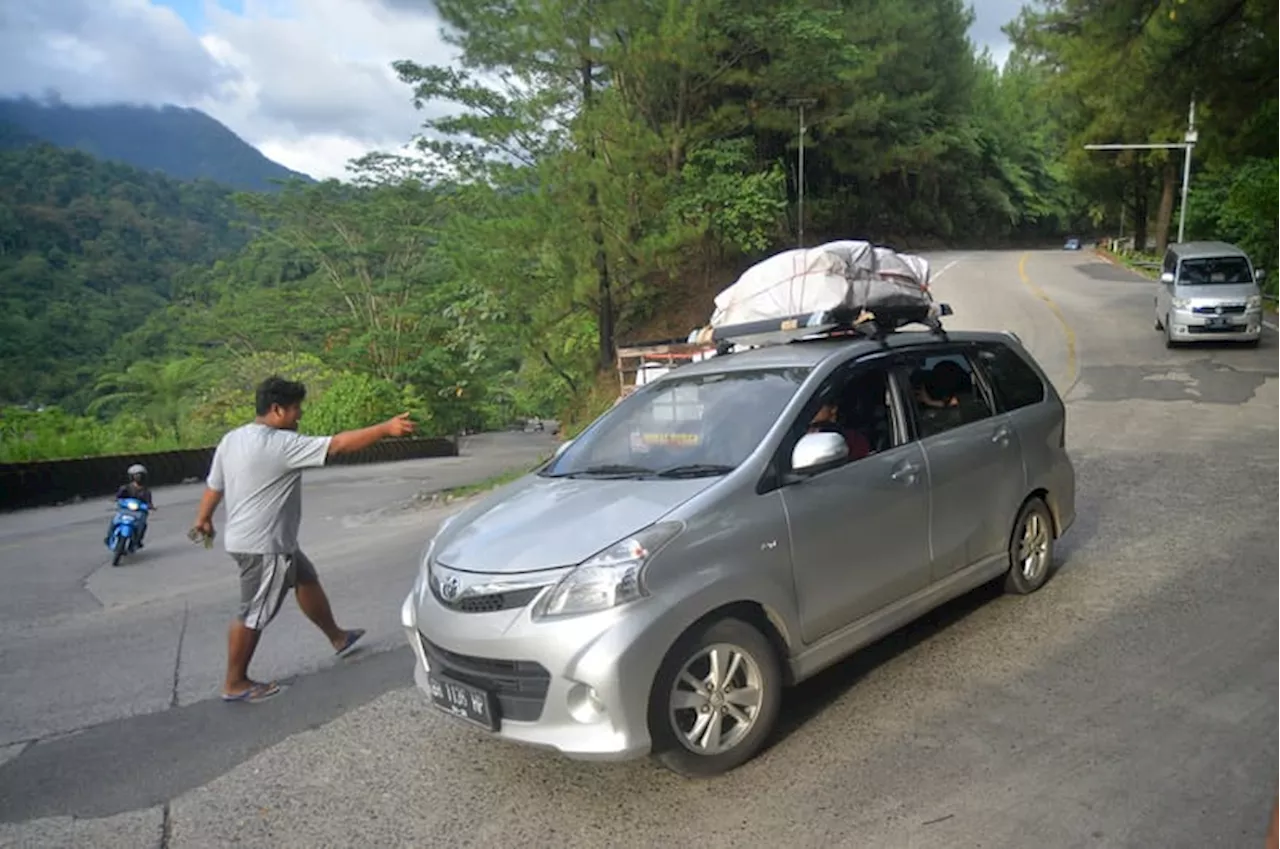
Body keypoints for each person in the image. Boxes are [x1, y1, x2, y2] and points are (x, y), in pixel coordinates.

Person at [191, 375, 416, 703]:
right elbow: (337, 445)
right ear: (277, 409)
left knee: (305, 578)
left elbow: (215, 484)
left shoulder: (233, 439)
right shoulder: (280, 445)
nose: (300, 416)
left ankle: (338, 637)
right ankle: (235, 682)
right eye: (296, 409)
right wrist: (384, 429)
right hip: (264, 546)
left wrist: (203, 518)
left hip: (255, 539)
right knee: (254, 612)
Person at [107, 463, 154, 548]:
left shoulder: (146, 491)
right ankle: (109, 536)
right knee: (114, 521)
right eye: (136, 476)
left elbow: (149, 502)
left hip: (139, 512)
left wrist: (149, 506)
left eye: (140, 476)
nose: (138, 478)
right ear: (132, 477)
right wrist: (116, 499)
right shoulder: (125, 488)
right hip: (126, 510)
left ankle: (138, 540)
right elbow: (118, 496)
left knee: (143, 525)